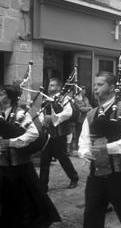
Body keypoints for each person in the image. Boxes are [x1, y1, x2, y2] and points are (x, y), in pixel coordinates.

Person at [78, 71, 121, 228]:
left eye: (100, 85)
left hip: (119, 174)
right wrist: (85, 152)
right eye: (95, 85)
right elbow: (84, 139)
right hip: (96, 174)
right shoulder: (92, 114)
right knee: (91, 215)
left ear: (112, 88)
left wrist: (108, 148)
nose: (95, 88)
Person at [0, 84, 60, 227]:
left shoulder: (21, 113)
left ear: (8, 98)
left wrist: (12, 142)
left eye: (1, 94)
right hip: (2, 165)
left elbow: (33, 134)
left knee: (24, 199)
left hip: (20, 165)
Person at [39, 78, 79, 192]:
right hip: (48, 133)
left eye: (52, 85)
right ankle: (43, 185)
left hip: (59, 133)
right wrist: (43, 121)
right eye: (49, 85)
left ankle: (74, 177)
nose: (49, 87)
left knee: (62, 158)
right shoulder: (45, 98)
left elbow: (68, 112)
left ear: (58, 87)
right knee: (44, 159)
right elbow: (41, 112)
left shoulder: (63, 98)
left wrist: (53, 118)